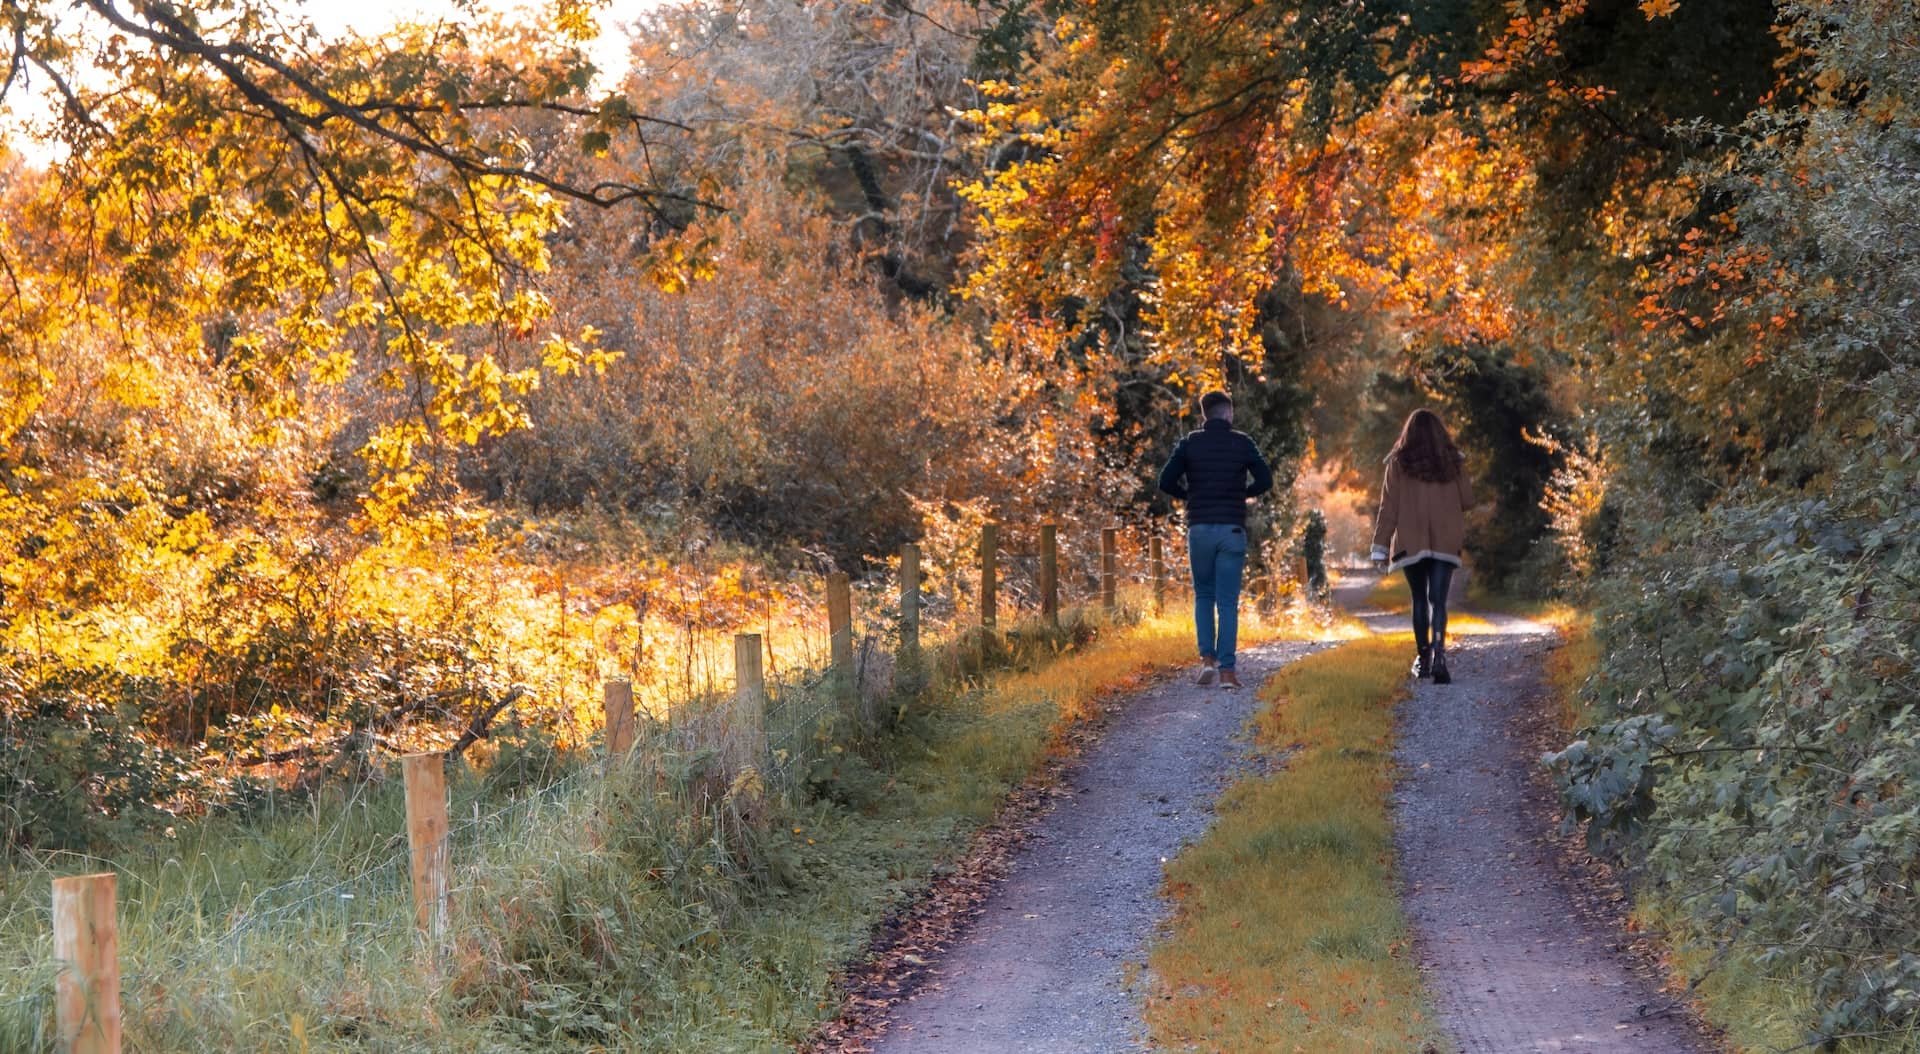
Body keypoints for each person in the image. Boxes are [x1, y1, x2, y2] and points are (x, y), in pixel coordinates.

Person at [1157, 391, 1274, 690]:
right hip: (1231, 530)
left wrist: (1190, 497)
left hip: (1200, 529)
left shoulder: (1190, 443)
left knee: (1204, 596)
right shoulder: (1243, 443)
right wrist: (1241, 494)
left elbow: (1165, 481)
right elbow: (1265, 480)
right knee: (1227, 603)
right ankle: (1227, 672)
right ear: (1229, 414)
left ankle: (1207, 660)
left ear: (1204, 415)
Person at [1370, 408, 1473, 685]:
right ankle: (1440, 655)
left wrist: (1380, 545)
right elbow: (1467, 500)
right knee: (1438, 600)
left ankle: (1423, 658)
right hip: (1445, 538)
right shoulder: (1454, 462)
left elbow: (1388, 507)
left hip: (1410, 539)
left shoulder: (1398, 462)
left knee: (1419, 598)